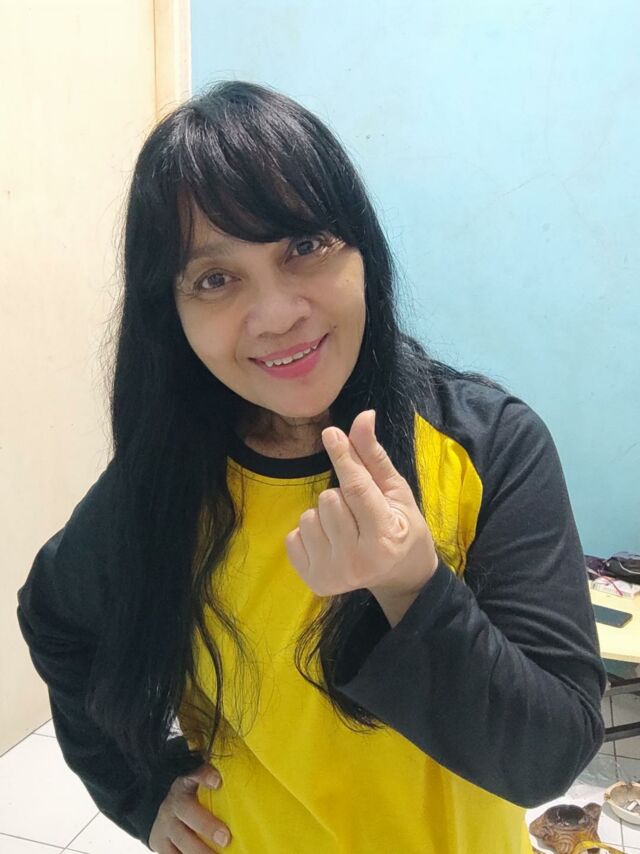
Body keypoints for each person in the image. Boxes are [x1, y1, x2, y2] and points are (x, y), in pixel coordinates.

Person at [17, 80, 607, 854]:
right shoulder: (167, 482)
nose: (277, 315)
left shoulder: (490, 444)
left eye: (302, 247)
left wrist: (411, 587)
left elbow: (549, 756)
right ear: (173, 313)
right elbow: (55, 620)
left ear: (362, 250)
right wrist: (139, 791)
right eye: (216, 279)